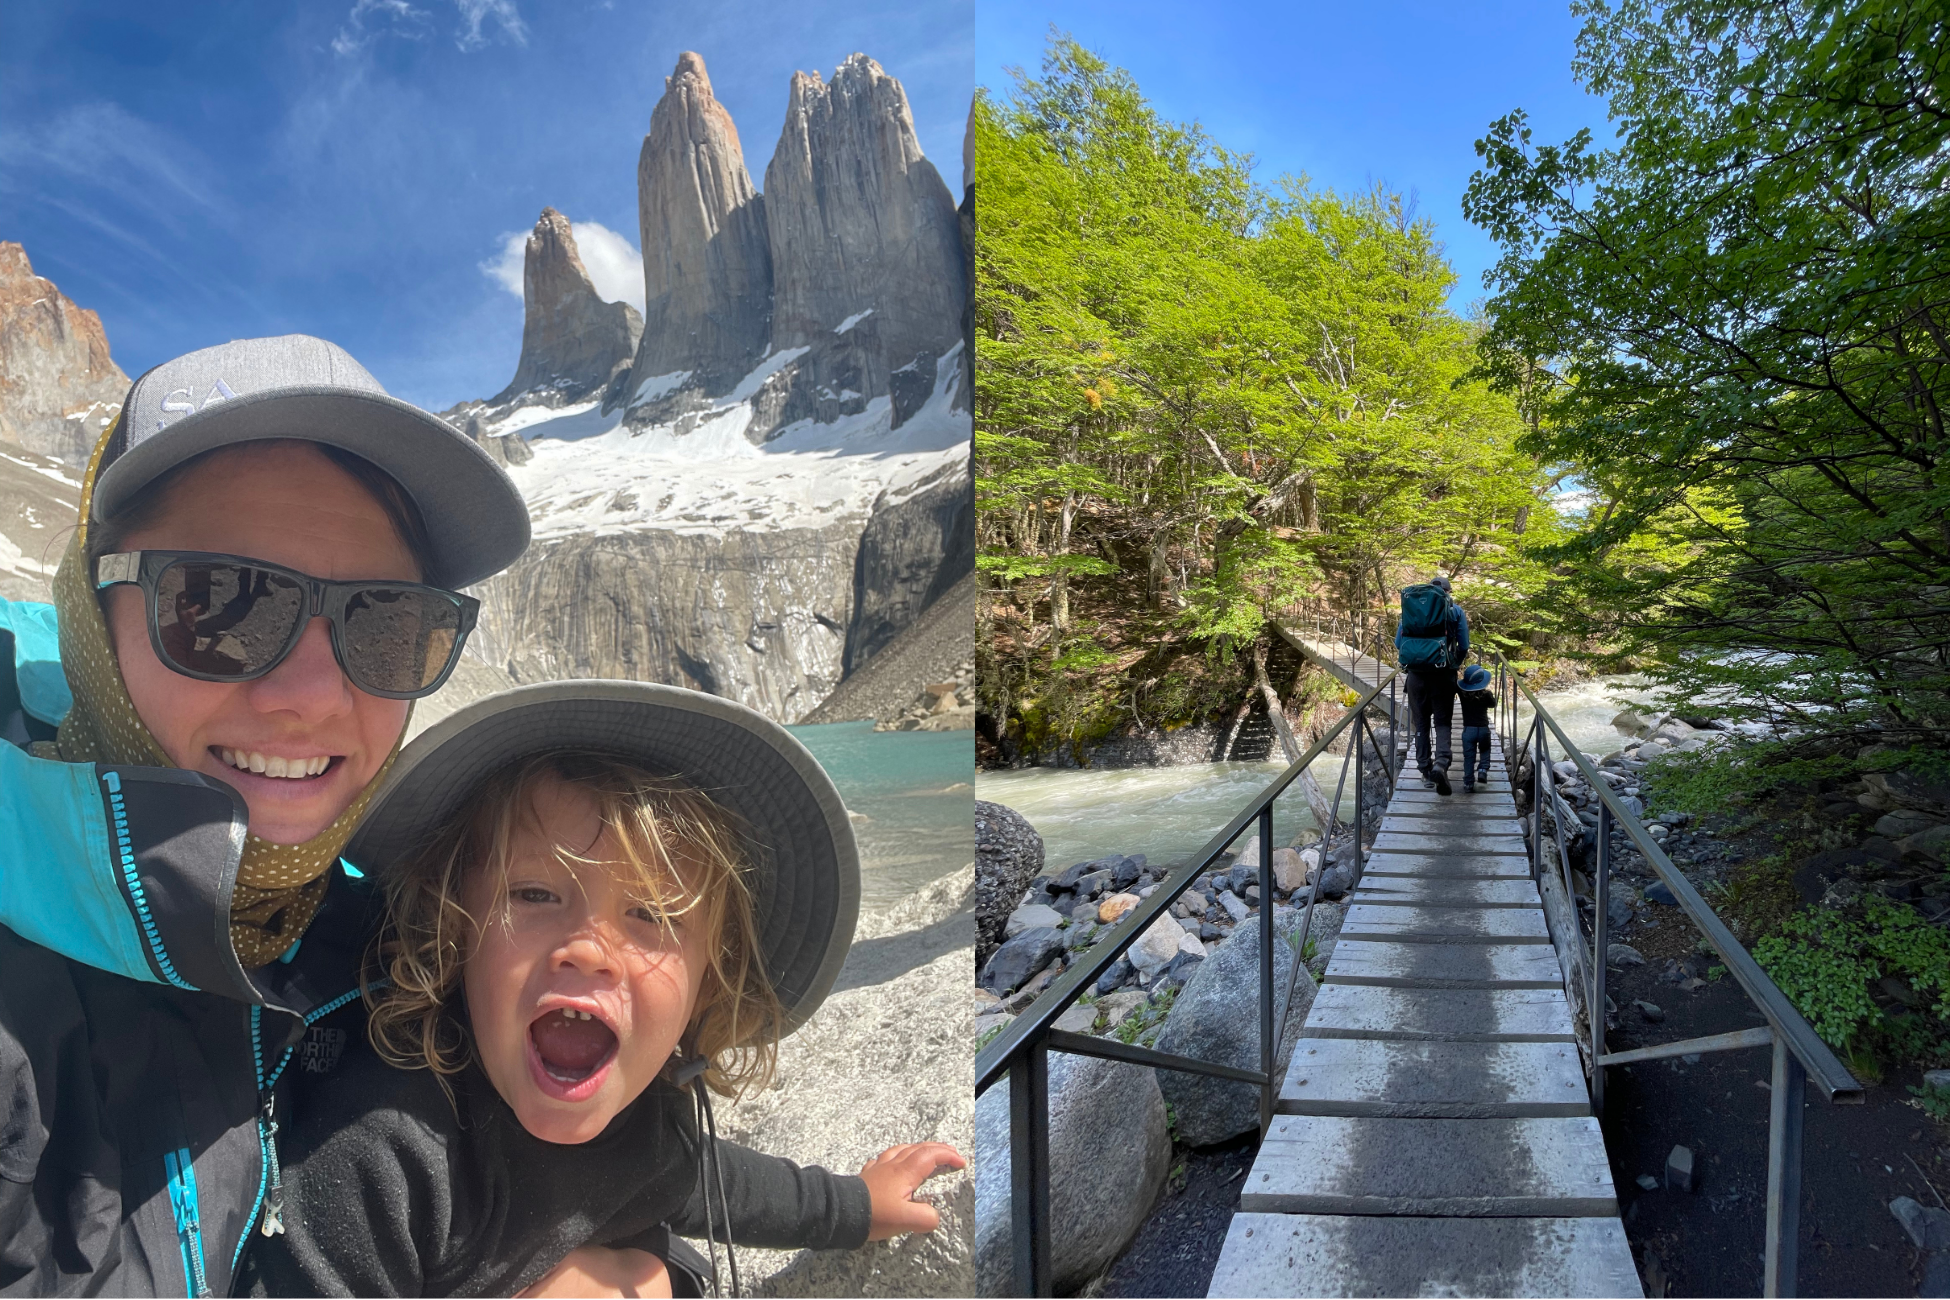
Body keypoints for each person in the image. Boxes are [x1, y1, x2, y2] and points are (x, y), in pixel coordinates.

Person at [0, 335, 531, 1295]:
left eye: (387, 624)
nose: (313, 698)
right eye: (220, 603)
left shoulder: (408, 944)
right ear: (93, 611)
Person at [241, 680, 964, 1296]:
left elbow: (721, 1185)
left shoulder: (650, 1126)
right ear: (453, 933)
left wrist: (856, 1206)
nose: (589, 949)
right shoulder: (380, 1151)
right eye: (533, 894)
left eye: (652, 914)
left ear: (712, 979)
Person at [1394, 574, 1470, 796]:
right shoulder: (1455, 611)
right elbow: (1464, 644)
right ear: (1448, 592)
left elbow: (1400, 643)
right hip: (1443, 675)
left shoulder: (1411, 610)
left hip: (1415, 677)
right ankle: (1442, 762)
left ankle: (1425, 771)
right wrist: (1453, 663)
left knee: (1421, 723)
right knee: (1443, 721)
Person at [1456, 664, 1496, 793]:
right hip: (1483, 729)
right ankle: (1483, 770)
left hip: (1469, 730)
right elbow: (1493, 704)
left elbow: (1455, 684)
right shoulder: (1486, 695)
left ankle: (1468, 783)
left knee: (1469, 757)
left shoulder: (1462, 694)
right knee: (1485, 750)